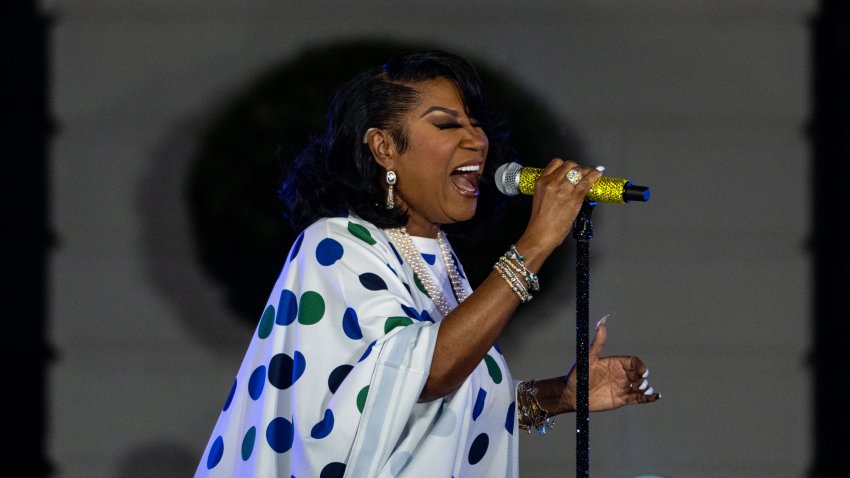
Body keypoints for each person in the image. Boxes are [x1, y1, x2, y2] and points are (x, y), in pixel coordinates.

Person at [195, 49, 660, 478]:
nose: (476, 141)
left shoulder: (435, 257)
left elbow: (415, 409)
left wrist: (557, 396)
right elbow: (424, 376)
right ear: (384, 148)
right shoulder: (334, 245)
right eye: (446, 125)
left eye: (475, 125)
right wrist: (535, 244)